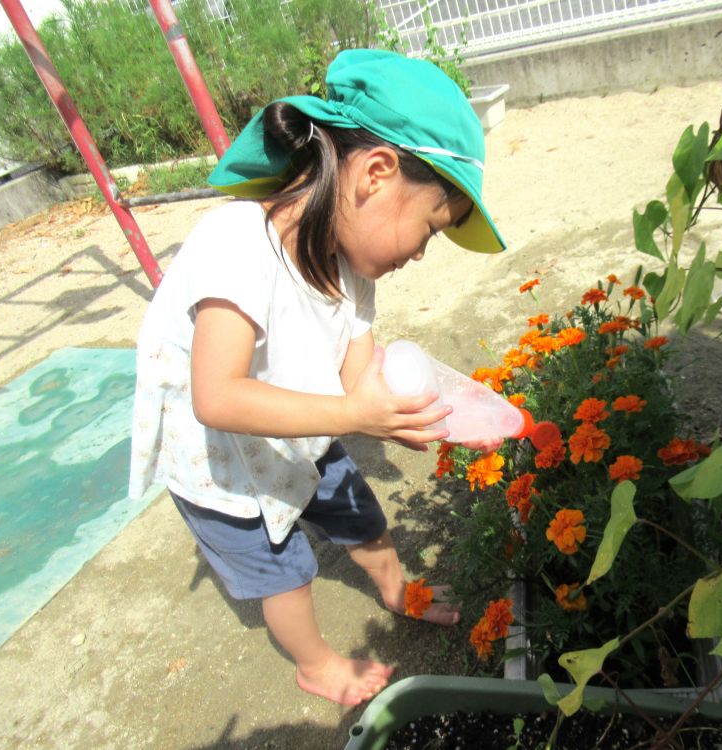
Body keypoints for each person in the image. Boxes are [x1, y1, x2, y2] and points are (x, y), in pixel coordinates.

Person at [128, 49, 506, 707]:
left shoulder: (352, 266)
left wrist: (415, 414)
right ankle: (317, 662)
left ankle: (395, 586)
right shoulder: (236, 245)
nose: (419, 253)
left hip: (303, 424)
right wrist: (357, 416)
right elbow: (217, 396)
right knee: (284, 572)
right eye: (429, 229)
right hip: (220, 465)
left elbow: (358, 370)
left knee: (358, 510)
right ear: (376, 174)